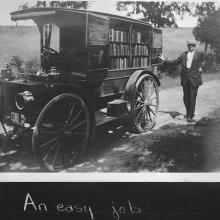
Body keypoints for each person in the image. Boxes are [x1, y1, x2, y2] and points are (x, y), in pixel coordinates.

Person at [158, 41, 205, 122]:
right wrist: (164, 60)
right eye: (189, 45)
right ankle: (189, 113)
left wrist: (200, 67)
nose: (191, 47)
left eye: (192, 45)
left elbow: (203, 61)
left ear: (194, 46)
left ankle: (190, 116)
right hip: (185, 79)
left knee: (192, 97)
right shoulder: (184, 54)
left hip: (195, 79)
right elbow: (175, 62)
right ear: (187, 46)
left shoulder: (199, 54)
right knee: (186, 98)